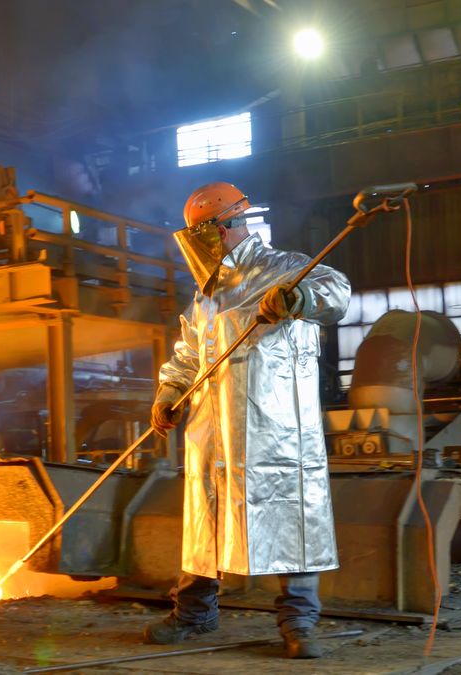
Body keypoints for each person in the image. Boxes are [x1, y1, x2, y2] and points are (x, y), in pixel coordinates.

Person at [144, 182, 350, 659]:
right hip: (212, 431)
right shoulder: (207, 295)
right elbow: (188, 353)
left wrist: (298, 302)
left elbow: (336, 292)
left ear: (223, 228)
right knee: (205, 523)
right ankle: (194, 615)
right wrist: (169, 391)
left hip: (276, 430)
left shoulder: (287, 269)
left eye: (203, 235)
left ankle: (299, 624)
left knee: (291, 516)